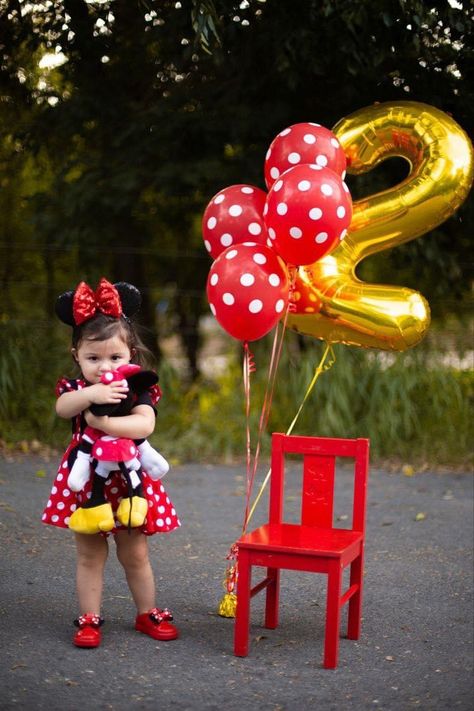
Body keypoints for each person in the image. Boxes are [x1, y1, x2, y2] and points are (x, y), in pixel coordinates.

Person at [42, 277, 180, 648]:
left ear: (131, 355)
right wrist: (91, 394)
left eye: (115, 357)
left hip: (130, 481)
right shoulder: (76, 390)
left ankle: (146, 611)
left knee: (135, 551)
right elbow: (62, 409)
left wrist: (102, 421)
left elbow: (143, 424)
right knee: (90, 553)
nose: (105, 367)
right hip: (87, 483)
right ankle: (89, 618)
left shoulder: (137, 386)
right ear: (76, 356)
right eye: (93, 358)